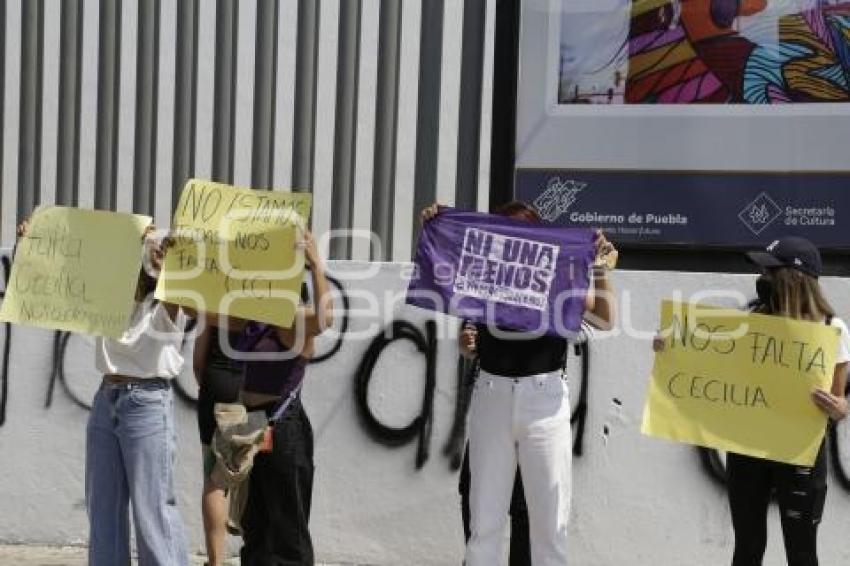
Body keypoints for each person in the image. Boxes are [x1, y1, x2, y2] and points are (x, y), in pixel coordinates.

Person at [421, 202, 616, 566]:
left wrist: (602, 270)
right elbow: (465, 331)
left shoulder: (559, 275)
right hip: (491, 395)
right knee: (484, 521)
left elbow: (605, 319)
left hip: (544, 399)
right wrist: (437, 223)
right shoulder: (481, 275)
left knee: (550, 523)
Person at [655, 236, 850, 566]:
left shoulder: (832, 329)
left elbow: (839, 403)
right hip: (748, 449)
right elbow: (713, 362)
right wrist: (672, 349)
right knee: (747, 547)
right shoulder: (751, 320)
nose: (762, 279)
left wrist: (837, 408)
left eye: (770, 271)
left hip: (800, 451)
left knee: (802, 552)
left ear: (794, 278)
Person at [84, 226, 192, 565]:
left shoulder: (165, 305)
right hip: (106, 399)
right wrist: (32, 242)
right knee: (103, 509)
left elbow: (175, 279)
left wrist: (170, 258)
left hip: (145, 401)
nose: (147, 253)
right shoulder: (108, 299)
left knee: (152, 511)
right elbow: (63, 270)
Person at [236, 229, 333, 566]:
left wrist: (315, 265)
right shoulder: (250, 319)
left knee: (287, 526)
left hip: (281, 425)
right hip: (250, 425)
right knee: (255, 524)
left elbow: (325, 319)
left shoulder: (291, 321)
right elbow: (201, 310)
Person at [193, 316, 244, 566]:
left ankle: (215, 561)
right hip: (254, 388)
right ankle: (257, 550)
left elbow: (197, 362)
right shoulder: (272, 288)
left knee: (214, 479)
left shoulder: (214, 293)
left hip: (217, 384)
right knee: (258, 475)